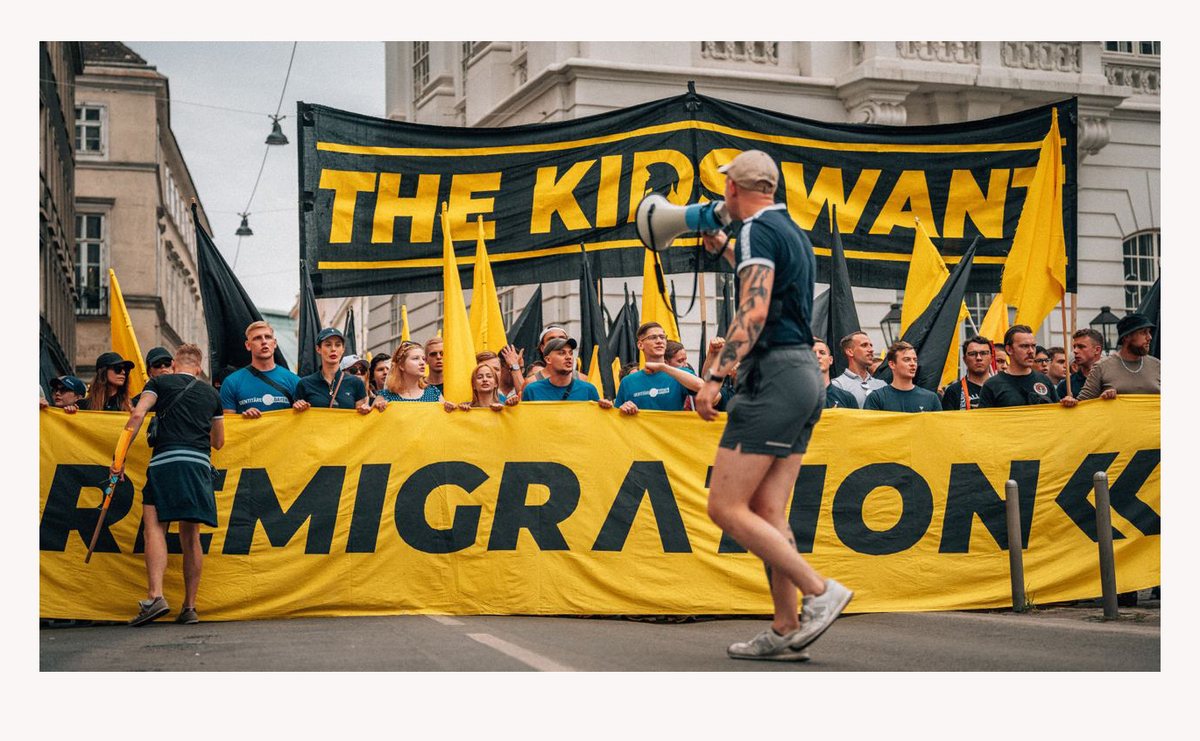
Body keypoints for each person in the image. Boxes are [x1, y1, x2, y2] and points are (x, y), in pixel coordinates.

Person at [695, 149, 852, 661]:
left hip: (775, 376)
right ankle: (786, 628)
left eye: (725, 189)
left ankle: (819, 591)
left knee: (724, 505)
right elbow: (773, 289)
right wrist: (723, 250)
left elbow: (755, 307)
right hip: (804, 374)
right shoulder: (788, 230)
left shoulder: (755, 230)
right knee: (766, 509)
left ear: (733, 191)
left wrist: (715, 377)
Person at [107, 343, 224, 626]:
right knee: (191, 536)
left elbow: (137, 416)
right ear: (198, 368)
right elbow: (218, 442)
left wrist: (119, 458)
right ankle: (189, 607)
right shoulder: (211, 393)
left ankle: (156, 596)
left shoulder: (158, 382)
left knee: (154, 529)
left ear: (174, 364)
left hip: (165, 463)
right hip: (198, 464)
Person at [1065, 314, 1160, 404]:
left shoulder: (1158, 365)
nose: (1149, 337)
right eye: (1143, 332)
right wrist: (1100, 400)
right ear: (1126, 336)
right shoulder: (1102, 367)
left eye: (1149, 332)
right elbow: (1083, 405)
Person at [220, 321, 301, 418]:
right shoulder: (232, 382)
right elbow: (227, 425)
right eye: (257, 338)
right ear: (248, 345)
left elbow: (303, 422)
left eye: (268, 337)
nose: (264, 341)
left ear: (274, 343)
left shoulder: (294, 381)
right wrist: (243, 418)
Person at [614, 322, 699, 413]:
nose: (659, 341)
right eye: (653, 337)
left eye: (662, 337)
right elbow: (616, 418)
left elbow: (702, 387)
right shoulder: (627, 382)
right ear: (640, 345)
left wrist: (663, 367)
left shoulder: (680, 374)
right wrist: (623, 408)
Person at [292, 328, 374, 413]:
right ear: (318, 349)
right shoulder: (305, 384)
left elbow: (360, 419)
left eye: (338, 345)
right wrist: (298, 406)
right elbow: (297, 419)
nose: (333, 349)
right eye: (328, 345)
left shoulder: (356, 383)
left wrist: (366, 410)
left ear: (343, 349)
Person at [977, 325, 1059, 407]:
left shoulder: (1044, 380)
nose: (1031, 351)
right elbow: (984, 418)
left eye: (1033, 346)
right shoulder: (992, 385)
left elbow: (1056, 413)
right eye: (1024, 346)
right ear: (1009, 349)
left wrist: (1067, 405)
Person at [521, 337, 613, 406]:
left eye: (571, 353)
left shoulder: (588, 390)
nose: (568, 357)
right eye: (562, 353)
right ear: (548, 359)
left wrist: (606, 409)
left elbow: (596, 423)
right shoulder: (532, 390)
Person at [863, 342, 942, 412]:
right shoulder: (876, 398)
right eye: (907, 360)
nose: (912, 363)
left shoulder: (931, 398)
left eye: (915, 360)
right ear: (892, 364)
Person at [830, 331, 886, 407]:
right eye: (864, 345)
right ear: (850, 352)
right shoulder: (837, 385)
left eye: (871, 345)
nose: (871, 350)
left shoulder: (882, 384)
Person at [941, 336, 992, 411]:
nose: (979, 358)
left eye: (984, 353)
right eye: (972, 354)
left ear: (991, 358)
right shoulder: (953, 391)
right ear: (964, 359)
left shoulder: (1001, 387)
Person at [1056, 328, 1104, 400]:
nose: (1075, 351)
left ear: (1097, 350)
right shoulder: (1066, 385)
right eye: (1074, 347)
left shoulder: (1113, 378)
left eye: (1081, 347)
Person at [456, 361, 520, 411]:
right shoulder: (465, 408)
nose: (485, 380)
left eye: (489, 376)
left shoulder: (505, 406)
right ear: (474, 385)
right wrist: (453, 409)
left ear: (496, 383)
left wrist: (511, 407)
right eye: (479, 377)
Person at [813, 339, 857, 409]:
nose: (818, 356)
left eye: (822, 353)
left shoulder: (847, 398)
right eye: (812, 353)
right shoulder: (796, 398)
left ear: (830, 360)